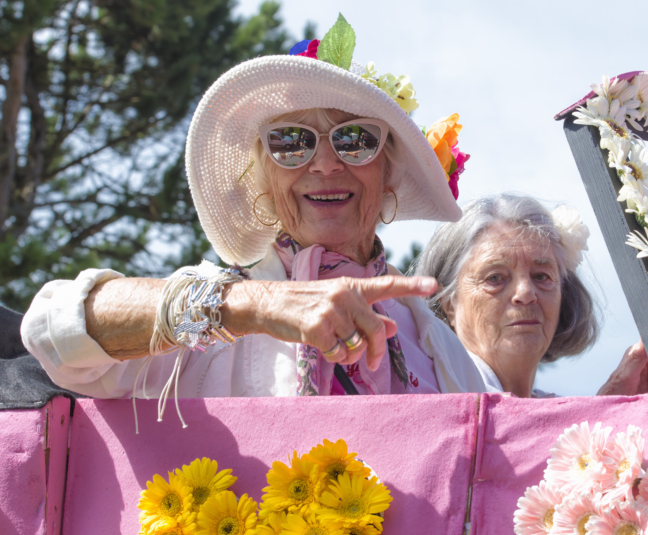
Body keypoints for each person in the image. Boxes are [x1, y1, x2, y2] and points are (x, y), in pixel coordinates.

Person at [20, 34, 486, 408]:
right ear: (266, 182)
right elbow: (52, 330)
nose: (324, 163)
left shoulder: (436, 344)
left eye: (355, 140)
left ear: (389, 174)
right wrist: (255, 306)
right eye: (290, 142)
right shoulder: (213, 305)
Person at [414, 194, 648, 398]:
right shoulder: (423, 391)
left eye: (541, 276)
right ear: (449, 304)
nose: (526, 293)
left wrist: (611, 421)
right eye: (495, 278)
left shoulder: (557, 414)